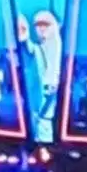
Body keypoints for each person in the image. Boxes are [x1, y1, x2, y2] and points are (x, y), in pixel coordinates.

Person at [18, 10, 63, 143]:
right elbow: (30, 48)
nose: (42, 28)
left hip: (55, 91)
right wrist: (24, 36)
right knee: (41, 119)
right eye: (38, 25)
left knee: (46, 118)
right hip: (43, 91)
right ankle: (42, 143)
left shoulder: (59, 44)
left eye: (45, 24)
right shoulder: (40, 48)